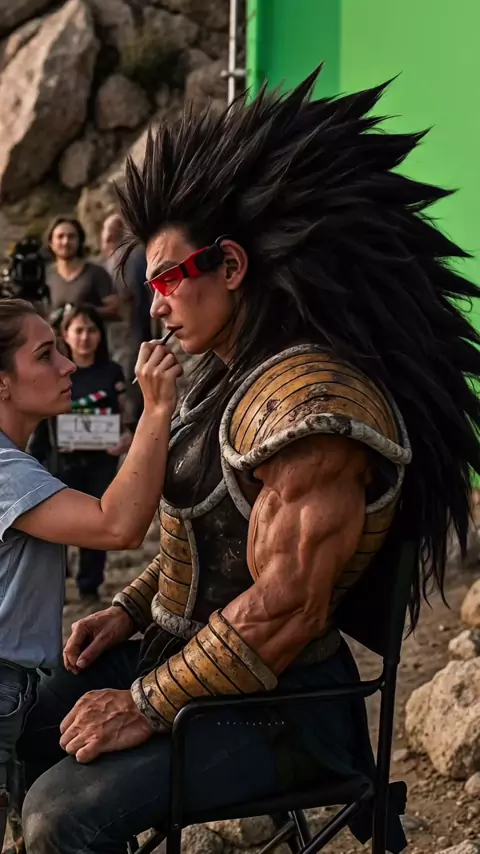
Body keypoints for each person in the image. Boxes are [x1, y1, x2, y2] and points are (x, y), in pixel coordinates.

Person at [18, 69, 480, 854]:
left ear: (230, 267)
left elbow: (286, 608)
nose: (154, 304)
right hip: (190, 655)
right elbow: (207, 537)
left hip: (282, 707)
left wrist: (143, 702)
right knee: (23, 723)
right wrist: (128, 610)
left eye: (167, 280)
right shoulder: (220, 374)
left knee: (61, 816)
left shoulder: (313, 413)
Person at [0, 298, 181, 847]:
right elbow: (117, 525)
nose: (67, 366)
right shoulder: (5, 472)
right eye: (45, 355)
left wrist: (125, 610)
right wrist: (156, 409)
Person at [29, 304, 134, 602]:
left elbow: (126, 413)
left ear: (100, 334)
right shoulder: (54, 372)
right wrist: (37, 456)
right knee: (56, 527)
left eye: (91, 330)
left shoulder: (112, 372)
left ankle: (89, 586)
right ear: (65, 335)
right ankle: (56, 584)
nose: (85, 337)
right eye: (78, 330)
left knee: (97, 522)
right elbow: (41, 419)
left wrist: (126, 436)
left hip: (101, 462)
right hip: (60, 461)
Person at [101, 213, 152, 424]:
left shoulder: (128, 258)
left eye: (106, 236)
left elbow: (126, 297)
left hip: (130, 332)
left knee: (130, 378)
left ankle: (131, 422)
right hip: (130, 332)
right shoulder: (125, 257)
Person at [45, 217, 119, 324]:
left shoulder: (96, 273)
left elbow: (115, 310)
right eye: (60, 236)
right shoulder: (45, 275)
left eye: (71, 236)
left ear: (80, 241)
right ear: (51, 242)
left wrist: (84, 311)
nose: (66, 242)